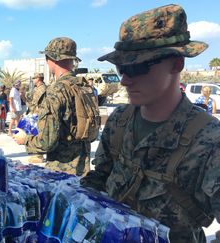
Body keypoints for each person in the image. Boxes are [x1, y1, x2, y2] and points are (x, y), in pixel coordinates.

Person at [80, 4, 220, 242]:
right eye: (122, 67)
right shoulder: (119, 121)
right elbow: (100, 178)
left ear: (176, 64)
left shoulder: (209, 142)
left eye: (136, 67)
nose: (124, 80)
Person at [13, 37, 91, 176]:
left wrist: (25, 140)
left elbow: (47, 141)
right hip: (83, 164)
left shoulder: (56, 90)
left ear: (51, 58)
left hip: (61, 169)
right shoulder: (84, 87)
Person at [26, 72, 47, 164]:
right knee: (32, 133)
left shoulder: (41, 89)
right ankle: (36, 153)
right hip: (35, 114)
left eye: (34, 78)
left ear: (38, 79)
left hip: (37, 114)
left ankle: (38, 155)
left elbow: (34, 103)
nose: (33, 80)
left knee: (36, 134)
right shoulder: (38, 88)